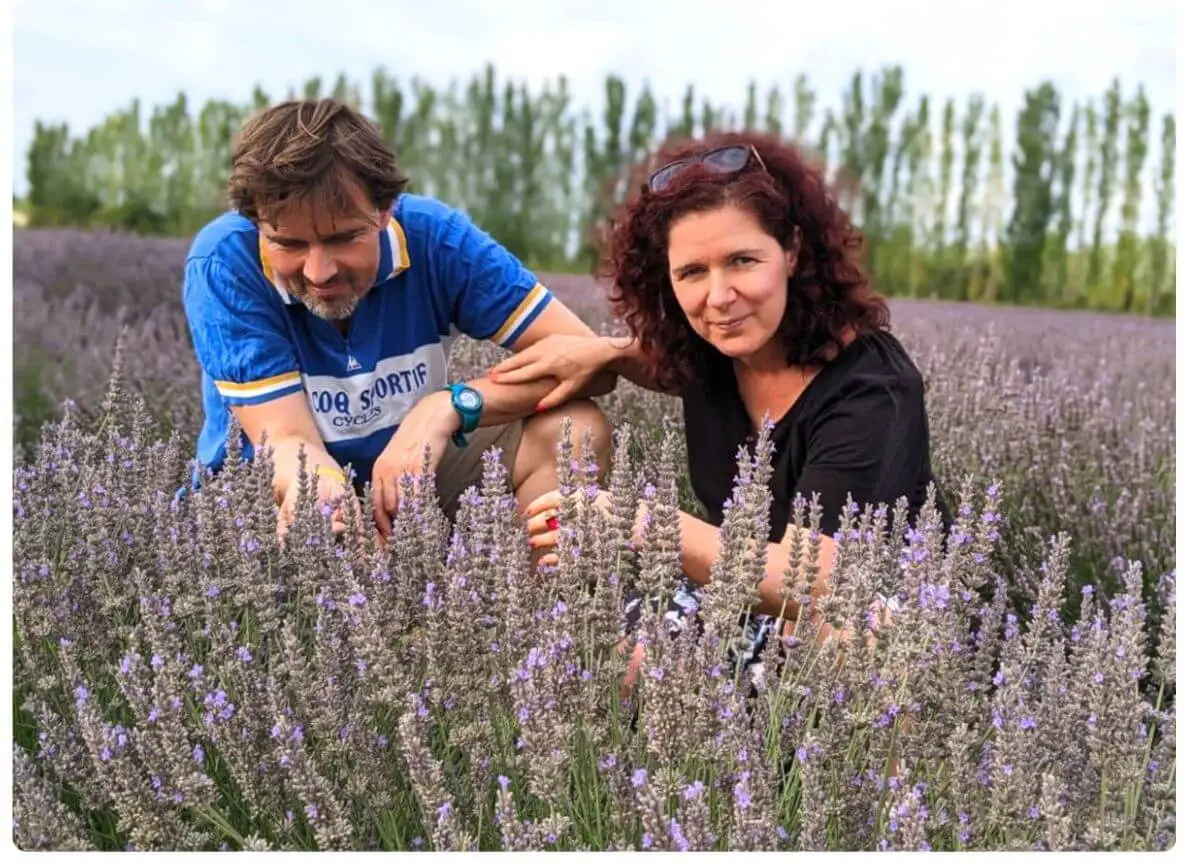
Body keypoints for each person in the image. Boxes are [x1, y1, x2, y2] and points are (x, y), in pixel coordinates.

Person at [492, 131, 952, 688]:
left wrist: (637, 521)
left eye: (742, 261)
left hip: (865, 614)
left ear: (793, 252)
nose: (718, 297)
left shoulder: (871, 389)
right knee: (592, 647)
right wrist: (599, 354)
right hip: (747, 601)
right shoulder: (712, 353)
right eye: (691, 272)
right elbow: (653, 359)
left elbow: (812, 581)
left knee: (855, 642)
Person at [181, 99, 613, 540]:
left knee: (573, 430)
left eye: (343, 238)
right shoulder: (224, 263)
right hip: (274, 491)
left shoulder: (436, 239)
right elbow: (288, 439)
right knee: (310, 530)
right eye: (288, 243)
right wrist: (329, 497)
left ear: (384, 209)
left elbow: (588, 363)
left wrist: (449, 406)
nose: (319, 271)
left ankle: (537, 603)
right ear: (256, 223)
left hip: (412, 483)